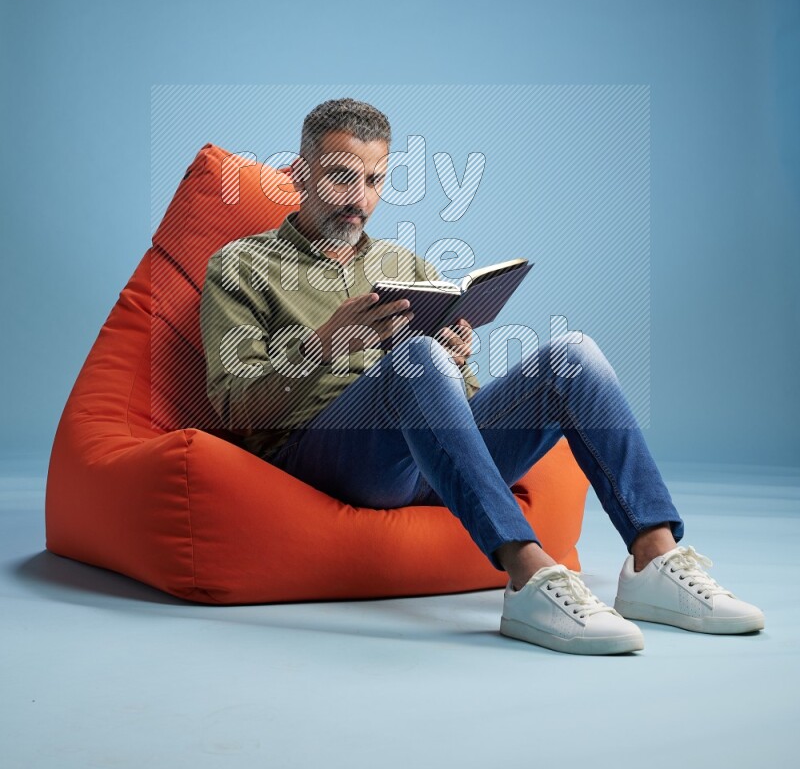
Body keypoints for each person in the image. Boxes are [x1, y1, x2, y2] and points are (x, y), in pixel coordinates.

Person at [200, 97, 765, 656]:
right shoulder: (242, 265)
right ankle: (528, 577)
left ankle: (654, 559)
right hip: (328, 457)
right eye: (341, 178)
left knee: (573, 355)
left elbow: (459, 407)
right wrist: (325, 344)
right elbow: (234, 408)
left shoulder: (406, 268)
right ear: (299, 175)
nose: (360, 199)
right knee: (416, 358)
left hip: (431, 462)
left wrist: (457, 362)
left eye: (374, 181)